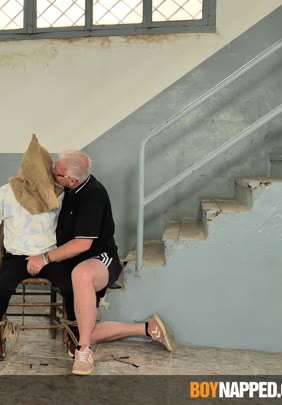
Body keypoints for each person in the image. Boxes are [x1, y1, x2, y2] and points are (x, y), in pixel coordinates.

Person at [26, 150, 176, 376]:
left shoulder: (93, 195)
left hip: (100, 259)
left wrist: (44, 258)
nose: (52, 173)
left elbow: (82, 244)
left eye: (56, 172)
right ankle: (148, 328)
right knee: (87, 331)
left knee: (81, 276)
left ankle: (84, 351)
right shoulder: (70, 188)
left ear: (72, 180)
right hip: (74, 262)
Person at [0, 135, 74, 359]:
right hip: (17, 257)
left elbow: (65, 229)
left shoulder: (58, 194)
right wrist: (16, 243)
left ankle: (75, 332)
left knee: (71, 286)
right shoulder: (6, 192)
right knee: (2, 288)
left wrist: (45, 255)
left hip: (49, 256)